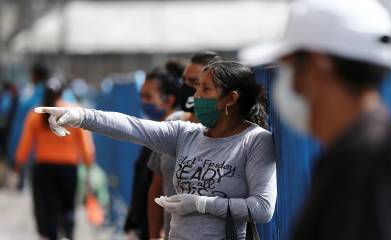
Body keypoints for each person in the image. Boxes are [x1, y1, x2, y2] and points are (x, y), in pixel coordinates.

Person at [35, 61, 277, 239]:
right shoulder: (185, 134)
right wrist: (80, 116)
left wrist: (201, 204)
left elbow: (262, 208)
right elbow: (132, 127)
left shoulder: (255, 141)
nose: (195, 96)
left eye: (205, 89)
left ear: (230, 99)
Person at [250, 0, 391, 239]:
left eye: (290, 70)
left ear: (319, 67)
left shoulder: (362, 157)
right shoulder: (364, 145)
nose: (291, 85)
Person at [147, 52, 223, 239]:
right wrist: (154, 234)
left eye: (195, 82)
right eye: (184, 81)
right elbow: (156, 186)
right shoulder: (173, 125)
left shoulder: (230, 132)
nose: (187, 89)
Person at [15, 78, 95, 240]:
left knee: (47, 208)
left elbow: (25, 143)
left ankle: (52, 235)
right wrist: (88, 163)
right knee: (68, 206)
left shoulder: (35, 115)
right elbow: (85, 144)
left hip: (44, 169)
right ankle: (69, 233)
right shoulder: (73, 112)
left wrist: (19, 162)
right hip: (68, 169)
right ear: (62, 92)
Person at [124, 60, 184, 240]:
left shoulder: (176, 138)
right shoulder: (152, 135)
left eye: (148, 97)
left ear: (169, 100)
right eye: (141, 96)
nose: (143, 102)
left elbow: (158, 189)